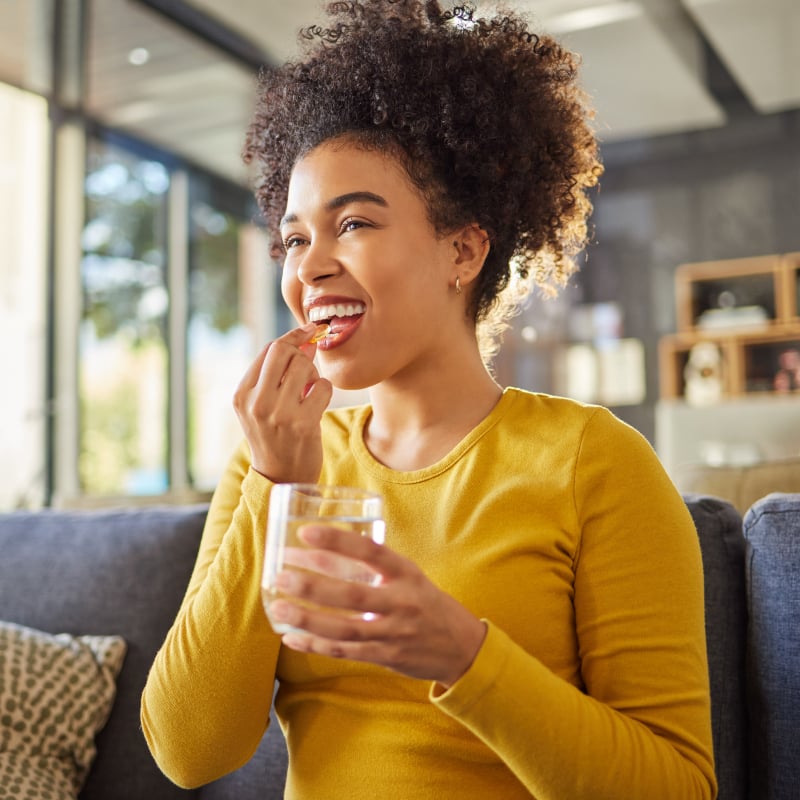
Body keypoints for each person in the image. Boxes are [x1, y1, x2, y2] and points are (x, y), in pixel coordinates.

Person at [141, 2, 717, 797]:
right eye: (295, 238)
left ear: (463, 250)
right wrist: (276, 489)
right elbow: (188, 750)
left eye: (353, 223)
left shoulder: (594, 462)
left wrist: (463, 654)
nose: (309, 267)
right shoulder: (273, 463)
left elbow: (678, 784)